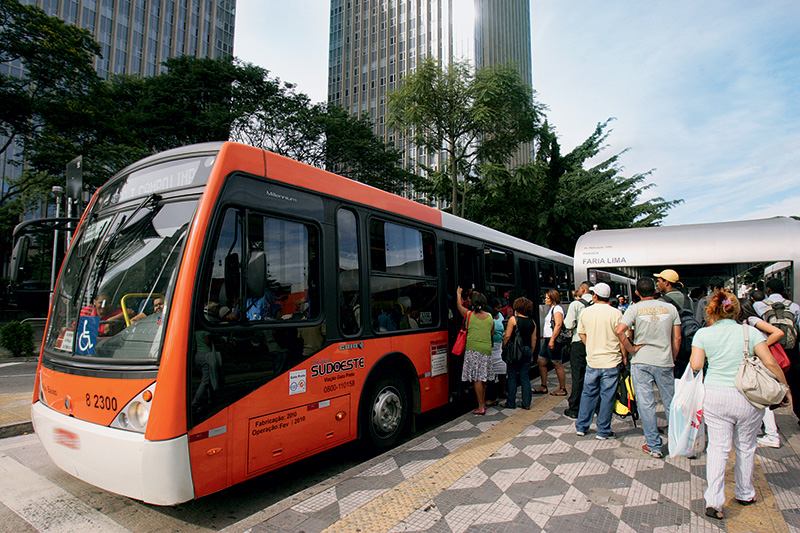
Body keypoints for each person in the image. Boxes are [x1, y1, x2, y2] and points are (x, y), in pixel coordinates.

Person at [690, 291, 790, 521]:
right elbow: (770, 362)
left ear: (711, 310)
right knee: (745, 445)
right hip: (747, 395)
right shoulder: (751, 331)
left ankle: (714, 501)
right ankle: (745, 493)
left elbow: (696, 364)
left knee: (718, 448)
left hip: (715, 396)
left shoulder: (703, 333)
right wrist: (784, 388)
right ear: (736, 310)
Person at [615, 277, 680, 458]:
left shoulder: (634, 309)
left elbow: (620, 330)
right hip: (664, 360)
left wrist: (631, 349)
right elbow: (677, 338)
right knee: (670, 402)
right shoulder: (670, 308)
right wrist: (672, 356)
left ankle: (653, 445)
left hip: (641, 361)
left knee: (646, 403)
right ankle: (677, 442)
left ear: (637, 293)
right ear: (656, 291)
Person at [575, 282, 626, 439]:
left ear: (595, 296)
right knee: (607, 396)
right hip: (611, 361)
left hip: (592, 360)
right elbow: (622, 337)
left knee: (588, 393)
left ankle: (582, 426)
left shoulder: (586, 312)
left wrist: (590, 345)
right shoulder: (617, 314)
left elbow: (581, 333)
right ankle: (603, 430)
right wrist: (624, 356)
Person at [738, 299, 785, 448]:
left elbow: (778, 332)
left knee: (763, 397)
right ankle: (762, 430)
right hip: (758, 361)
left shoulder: (751, 320)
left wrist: (762, 346)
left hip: (761, 361)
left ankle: (772, 435)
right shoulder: (748, 321)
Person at [754, 278, 800, 423]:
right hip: (791, 350)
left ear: (768, 290)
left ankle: (769, 422)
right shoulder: (794, 306)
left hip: (770, 348)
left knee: (768, 380)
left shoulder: (759, 305)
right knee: (794, 381)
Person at [456, 287, 496, 415]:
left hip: (473, 350)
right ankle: (482, 402)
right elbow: (492, 333)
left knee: (477, 380)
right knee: (482, 379)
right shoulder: (490, 317)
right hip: (486, 350)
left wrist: (458, 294)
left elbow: (458, 306)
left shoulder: (469, 315)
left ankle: (480, 406)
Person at [563, 281, 593, 419]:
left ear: (582, 289)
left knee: (578, 376)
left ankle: (575, 408)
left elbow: (568, 324)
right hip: (596, 344)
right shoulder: (599, 304)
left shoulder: (576, 304)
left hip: (579, 343)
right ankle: (595, 406)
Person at [502, 297, 537, 410]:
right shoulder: (532, 322)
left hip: (515, 351)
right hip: (526, 350)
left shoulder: (513, 319)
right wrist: (530, 352)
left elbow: (507, 336)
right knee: (525, 377)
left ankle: (510, 402)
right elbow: (534, 339)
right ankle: (526, 403)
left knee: (512, 376)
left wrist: (504, 346)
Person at [536, 289, 567, 396]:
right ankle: (543, 386)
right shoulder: (552, 309)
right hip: (548, 339)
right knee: (541, 361)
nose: (545, 300)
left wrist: (552, 340)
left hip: (553, 339)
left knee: (557, 363)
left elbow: (558, 325)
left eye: (547, 298)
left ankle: (562, 388)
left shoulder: (557, 309)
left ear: (553, 299)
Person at [487, 299, 507, 405]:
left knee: (502, 369)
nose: (499, 310)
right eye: (497, 308)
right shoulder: (488, 317)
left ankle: (502, 390)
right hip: (491, 345)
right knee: (491, 371)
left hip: (500, 345)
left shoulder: (500, 315)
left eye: (500, 308)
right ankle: (493, 394)